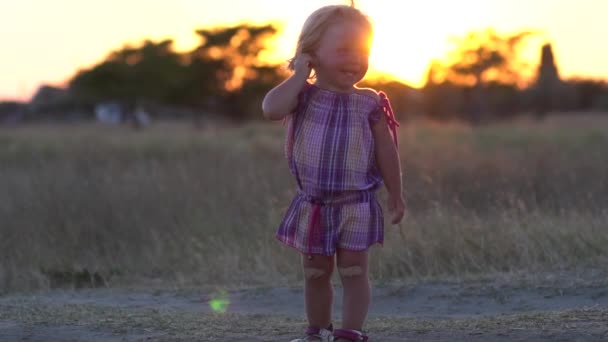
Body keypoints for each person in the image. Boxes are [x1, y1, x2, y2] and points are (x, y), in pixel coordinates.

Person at [262, 3, 405, 342]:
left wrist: (397, 194)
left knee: (354, 271)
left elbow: (387, 151)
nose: (354, 59)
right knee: (315, 273)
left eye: (362, 51)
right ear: (311, 53)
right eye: (342, 50)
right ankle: (317, 332)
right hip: (314, 205)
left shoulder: (370, 102)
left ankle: (349, 333)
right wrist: (299, 74)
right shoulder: (302, 96)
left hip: (356, 204)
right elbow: (270, 109)